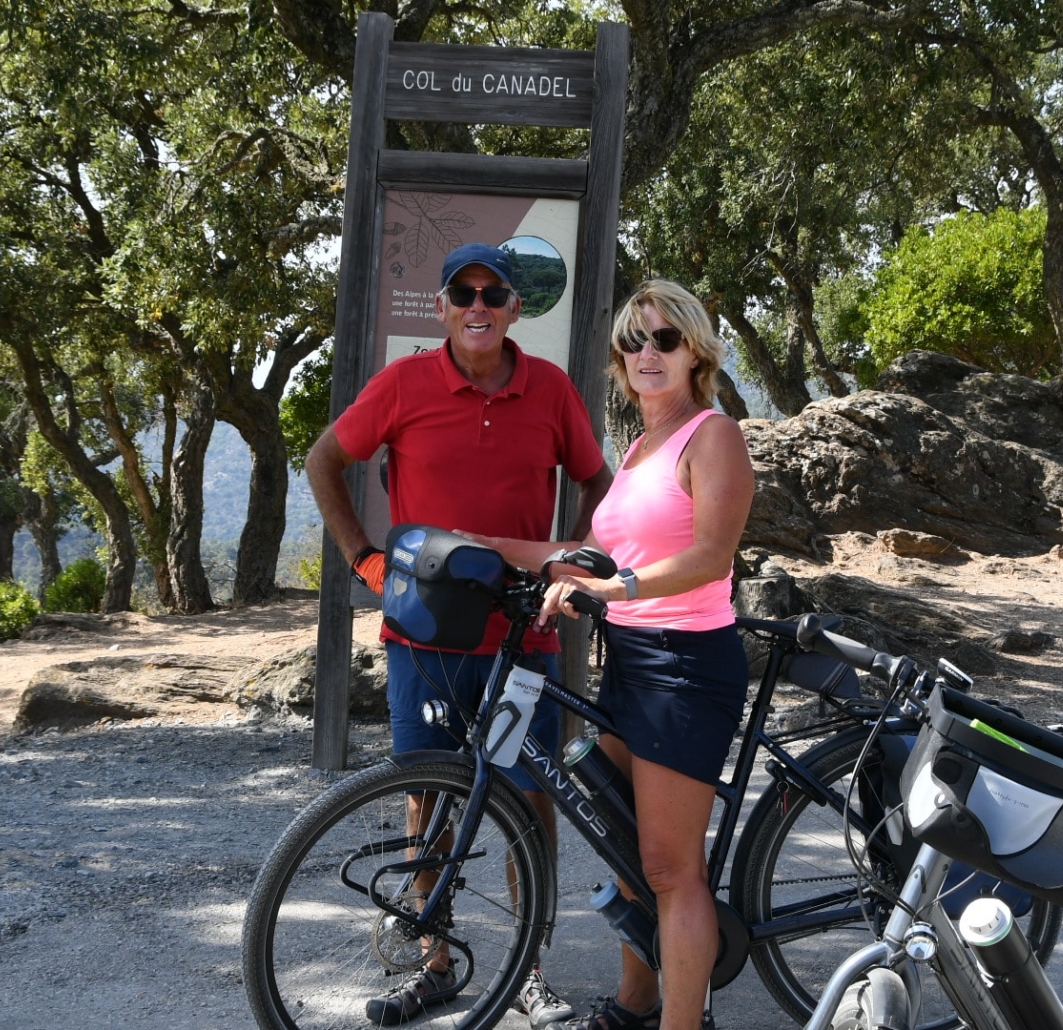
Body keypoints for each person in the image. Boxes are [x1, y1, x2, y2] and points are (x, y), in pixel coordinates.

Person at [306, 242, 613, 1027]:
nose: (478, 305)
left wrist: (569, 568)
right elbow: (323, 461)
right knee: (427, 797)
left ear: (515, 308)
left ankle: (530, 970)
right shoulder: (403, 384)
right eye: (463, 292)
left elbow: (597, 481)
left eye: (494, 292)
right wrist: (363, 560)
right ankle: (434, 963)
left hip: (523, 636)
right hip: (423, 638)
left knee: (528, 796)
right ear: (442, 307)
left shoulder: (548, 390)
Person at [463, 280, 755, 1030]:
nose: (647, 354)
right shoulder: (640, 446)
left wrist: (616, 591)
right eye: (634, 342)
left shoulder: (712, 435)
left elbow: (710, 557)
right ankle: (635, 1002)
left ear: (696, 352)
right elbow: (597, 554)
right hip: (629, 659)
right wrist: (498, 551)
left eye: (665, 339)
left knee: (667, 867)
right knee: (623, 848)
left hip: (686, 667)